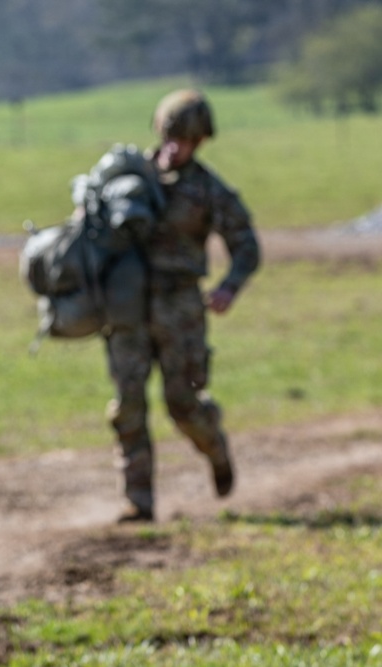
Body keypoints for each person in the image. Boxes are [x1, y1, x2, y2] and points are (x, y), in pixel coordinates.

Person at [105, 88, 260, 522]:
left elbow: (246, 245)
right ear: (160, 131)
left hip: (181, 310)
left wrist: (229, 287)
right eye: (173, 137)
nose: (178, 147)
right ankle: (138, 500)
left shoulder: (208, 190)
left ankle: (215, 448)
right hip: (128, 308)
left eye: (189, 140)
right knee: (128, 405)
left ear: (201, 141)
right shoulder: (129, 179)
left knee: (183, 404)